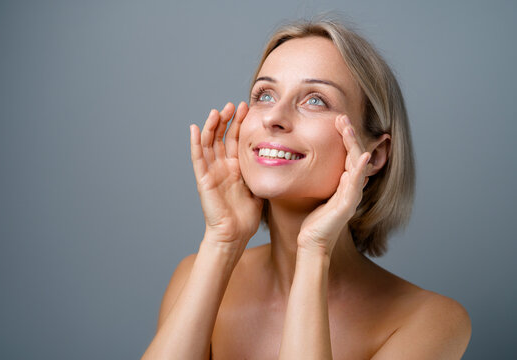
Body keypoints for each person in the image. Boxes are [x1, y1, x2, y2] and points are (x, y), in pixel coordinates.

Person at [141, 17, 471, 359]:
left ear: (373, 156)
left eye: (315, 100)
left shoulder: (431, 320)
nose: (274, 117)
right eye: (265, 95)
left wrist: (314, 253)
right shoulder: (194, 274)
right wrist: (222, 241)